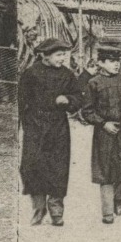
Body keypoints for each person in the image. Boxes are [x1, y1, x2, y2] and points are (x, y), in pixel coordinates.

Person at [18, 37, 84, 227]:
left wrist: (68, 100)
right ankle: (38, 208)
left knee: (58, 167)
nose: (63, 58)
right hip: (35, 125)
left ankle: (56, 210)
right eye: (59, 55)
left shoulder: (67, 75)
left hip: (58, 127)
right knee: (32, 166)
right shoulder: (31, 74)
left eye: (64, 54)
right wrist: (27, 125)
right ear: (45, 56)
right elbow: (22, 102)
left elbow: (78, 97)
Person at [79, 46, 121, 223]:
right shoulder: (94, 83)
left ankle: (118, 197)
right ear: (101, 63)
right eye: (112, 61)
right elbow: (87, 111)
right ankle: (107, 213)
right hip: (104, 134)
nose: (116, 64)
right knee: (105, 170)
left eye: (119, 61)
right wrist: (103, 123)